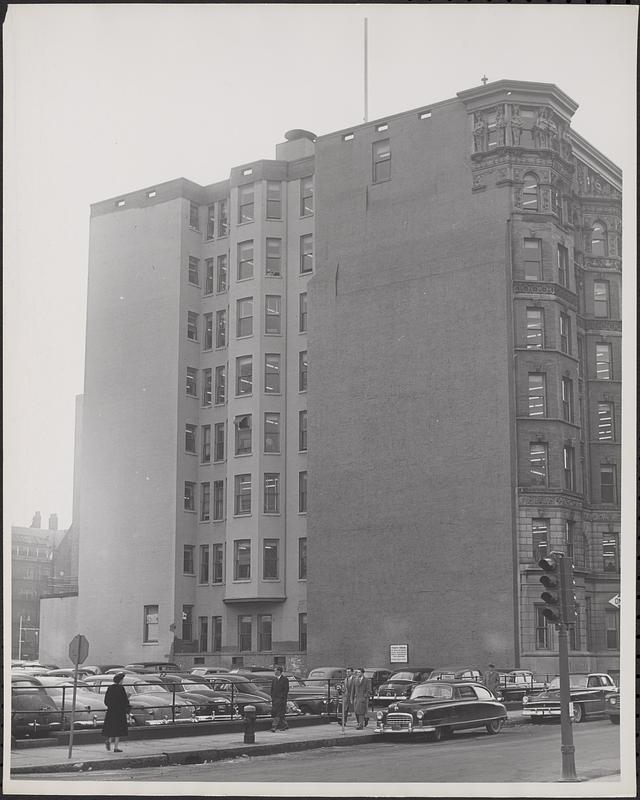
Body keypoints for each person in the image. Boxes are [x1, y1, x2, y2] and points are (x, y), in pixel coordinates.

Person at [102, 672, 131, 752]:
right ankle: (116, 747)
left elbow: (106, 700)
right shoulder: (121, 688)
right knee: (118, 730)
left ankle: (109, 741)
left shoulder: (110, 688)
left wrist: (110, 706)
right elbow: (124, 700)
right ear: (120, 680)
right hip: (120, 711)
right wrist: (127, 707)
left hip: (111, 711)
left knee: (112, 728)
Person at [270, 665, 290, 732]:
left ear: (279, 671)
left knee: (278, 713)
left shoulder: (285, 679)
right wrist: (272, 697)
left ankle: (274, 726)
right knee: (279, 713)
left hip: (281, 699)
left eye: (275, 670)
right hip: (275, 699)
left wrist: (282, 697)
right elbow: (272, 690)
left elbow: (286, 690)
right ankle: (285, 725)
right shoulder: (274, 680)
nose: (274, 672)